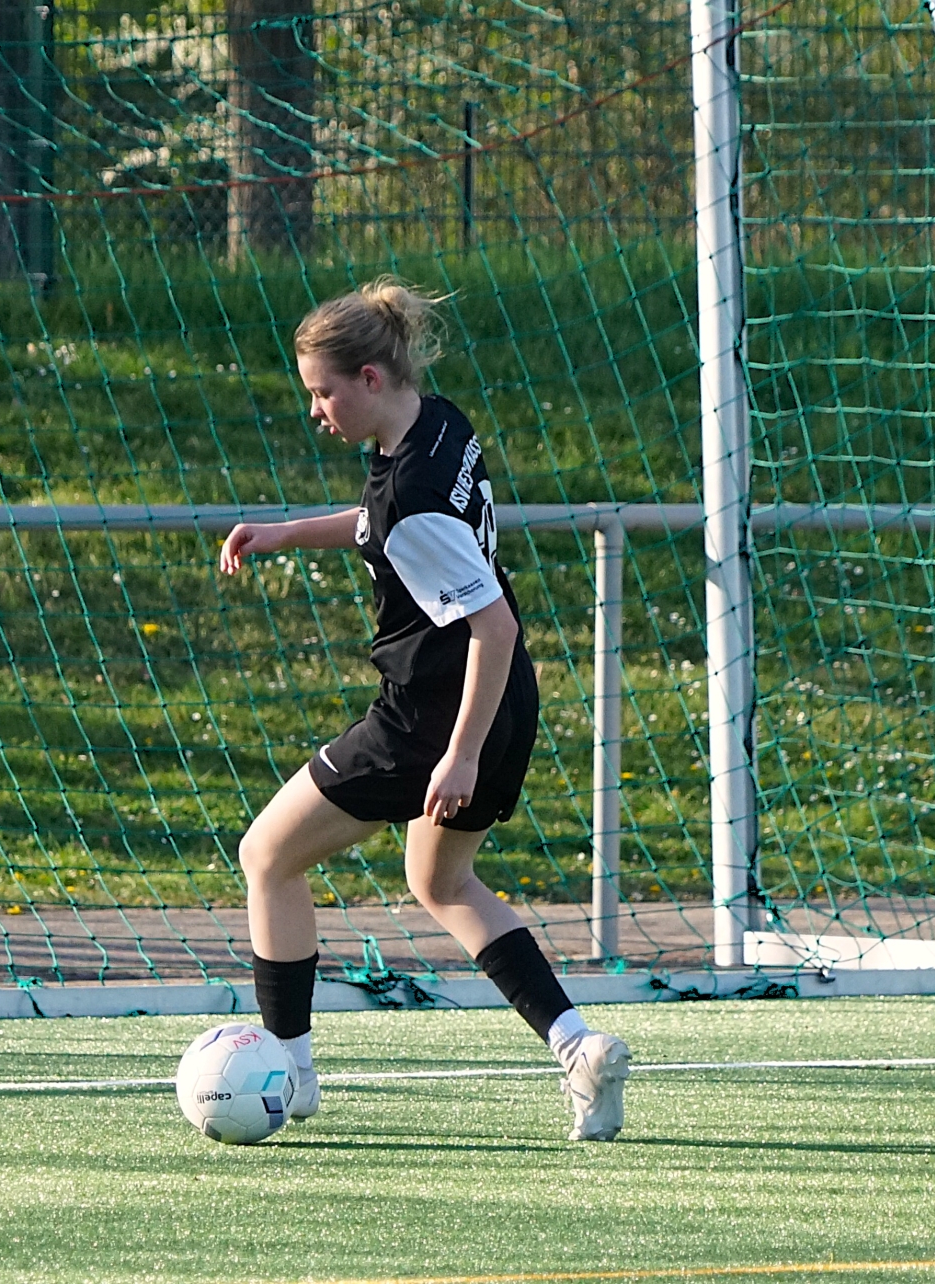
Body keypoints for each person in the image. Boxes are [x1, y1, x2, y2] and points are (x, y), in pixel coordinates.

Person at [218, 278, 631, 1142]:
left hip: (433, 721)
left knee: (266, 856)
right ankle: (578, 1046)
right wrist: (287, 531)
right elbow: (383, 523)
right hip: (503, 700)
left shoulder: (410, 495)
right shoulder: (438, 424)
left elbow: (492, 623)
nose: (316, 412)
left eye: (323, 393)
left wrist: (459, 753)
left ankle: (289, 1076)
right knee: (441, 882)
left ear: (369, 378)